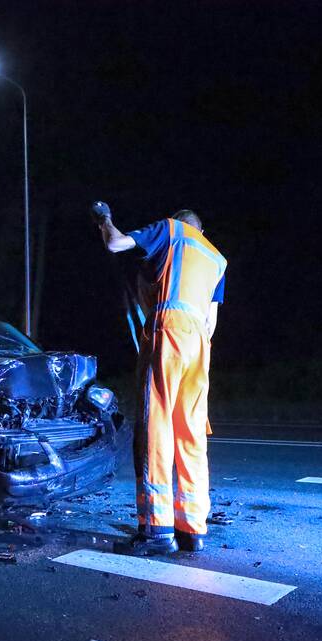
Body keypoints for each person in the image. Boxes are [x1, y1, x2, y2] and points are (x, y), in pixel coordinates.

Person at [97, 208, 226, 554]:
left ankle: (156, 530)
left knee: (155, 427)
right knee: (190, 433)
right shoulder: (216, 258)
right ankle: (192, 529)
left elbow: (115, 243)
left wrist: (104, 219)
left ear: (179, 222)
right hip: (200, 345)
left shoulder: (171, 231)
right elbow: (211, 322)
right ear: (202, 230)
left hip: (169, 332)